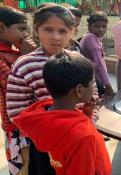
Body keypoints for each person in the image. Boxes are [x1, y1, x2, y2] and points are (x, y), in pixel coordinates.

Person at [12, 52, 112, 175]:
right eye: (92, 83)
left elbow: (66, 133)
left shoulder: (44, 113)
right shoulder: (85, 137)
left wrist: (86, 113)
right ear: (79, 90)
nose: (94, 87)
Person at [6, 5, 77, 175]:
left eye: (62, 31)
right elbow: (16, 112)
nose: (55, 37)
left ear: (72, 32)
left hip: (75, 138)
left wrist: (86, 122)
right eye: (48, 30)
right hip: (42, 143)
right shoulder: (25, 65)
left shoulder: (78, 61)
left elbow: (91, 96)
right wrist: (48, 133)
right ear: (36, 31)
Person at [0, 6, 36, 175]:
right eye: (21, 29)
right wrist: (25, 56)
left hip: (29, 118)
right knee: (21, 166)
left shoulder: (13, 51)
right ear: (1, 28)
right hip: (14, 123)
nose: (26, 34)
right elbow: (11, 85)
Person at [80, 11, 114, 96]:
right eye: (97, 26)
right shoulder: (90, 38)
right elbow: (99, 65)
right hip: (93, 79)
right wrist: (108, 85)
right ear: (89, 26)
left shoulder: (94, 37)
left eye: (104, 26)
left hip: (94, 78)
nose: (101, 29)